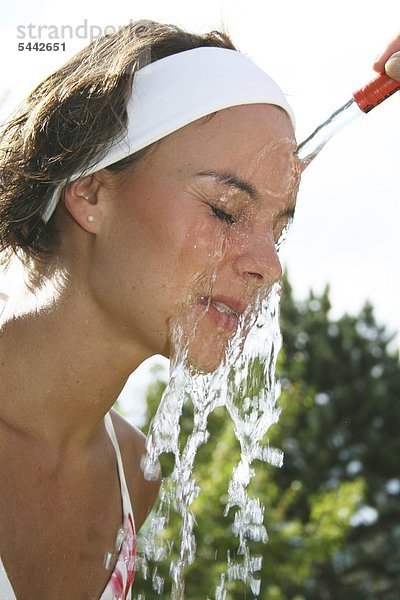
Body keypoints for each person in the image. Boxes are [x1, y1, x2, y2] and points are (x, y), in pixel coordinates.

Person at [0, 19, 398, 600]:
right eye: (225, 209)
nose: (268, 264)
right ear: (89, 192)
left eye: (278, 231)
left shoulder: (133, 477)